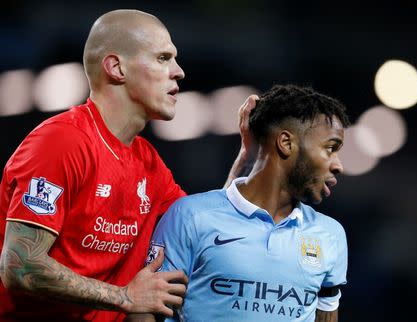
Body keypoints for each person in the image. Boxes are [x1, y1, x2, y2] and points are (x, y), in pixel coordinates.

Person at [0, 9, 257, 322]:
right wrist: (124, 297)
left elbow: (207, 227)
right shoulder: (62, 142)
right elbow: (19, 265)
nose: (179, 72)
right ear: (116, 67)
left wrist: (250, 157)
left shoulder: (148, 161)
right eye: (163, 58)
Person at [143, 84, 351, 322]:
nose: (338, 165)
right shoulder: (190, 216)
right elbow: (145, 310)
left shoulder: (330, 234)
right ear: (286, 143)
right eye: (330, 148)